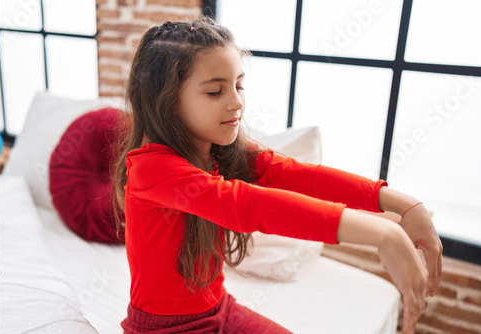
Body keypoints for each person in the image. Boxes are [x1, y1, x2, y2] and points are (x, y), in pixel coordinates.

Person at [113, 17, 443, 334]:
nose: (236, 102)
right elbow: (245, 206)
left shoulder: (218, 150)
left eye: (239, 85)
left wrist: (404, 204)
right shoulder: (150, 168)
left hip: (219, 310)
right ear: (165, 102)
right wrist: (383, 234)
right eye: (216, 92)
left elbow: (297, 175)